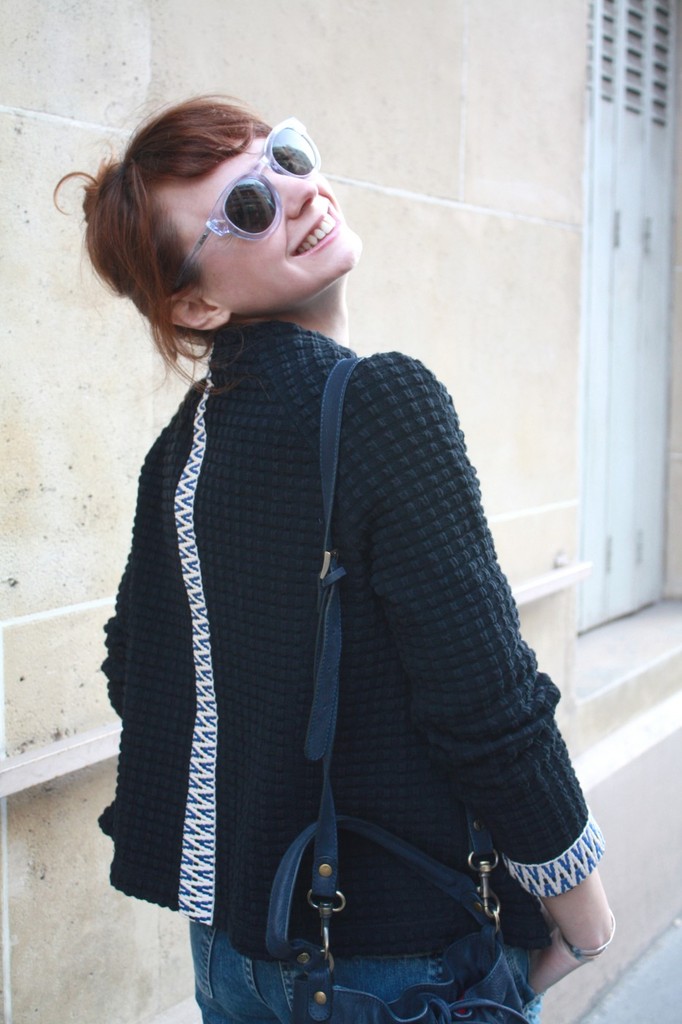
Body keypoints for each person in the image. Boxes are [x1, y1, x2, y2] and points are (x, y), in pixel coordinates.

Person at [60, 96, 614, 1024]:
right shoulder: (381, 402)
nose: (296, 191)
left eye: (285, 154)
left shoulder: (185, 446)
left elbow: (137, 664)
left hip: (232, 956)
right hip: (391, 966)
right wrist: (581, 909)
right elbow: (486, 699)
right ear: (196, 303)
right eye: (245, 208)